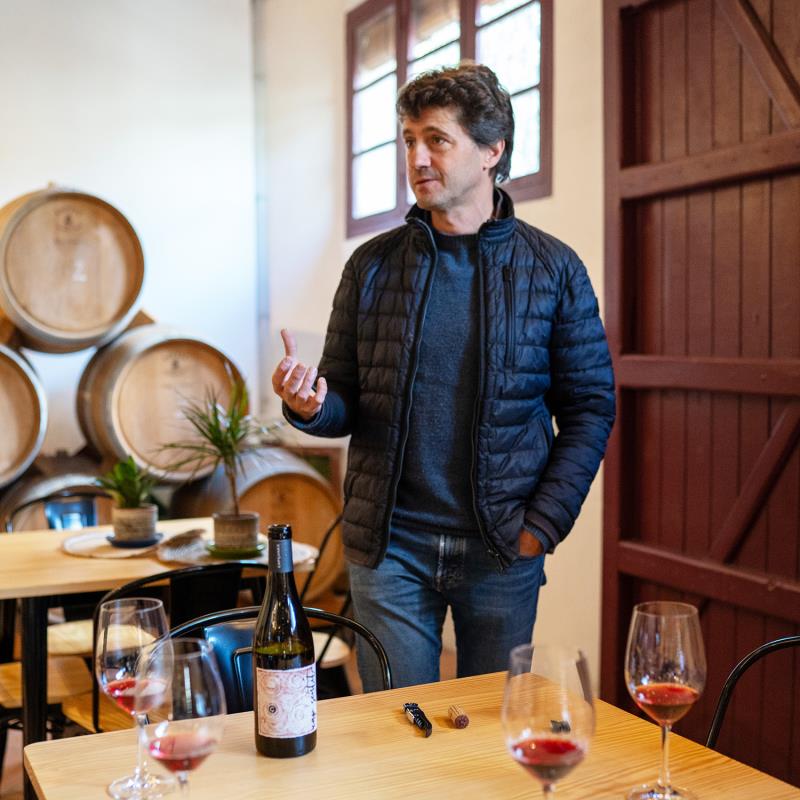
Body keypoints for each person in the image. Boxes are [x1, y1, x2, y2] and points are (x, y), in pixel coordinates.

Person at [272, 63, 615, 691]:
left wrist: (541, 526)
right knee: (394, 727)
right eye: (409, 140)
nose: (417, 158)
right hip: (390, 548)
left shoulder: (554, 269)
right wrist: (310, 405)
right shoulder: (371, 267)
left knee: (490, 731)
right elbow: (343, 396)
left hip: (502, 547)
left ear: (491, 150)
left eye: (437, 139)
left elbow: (590, 406)